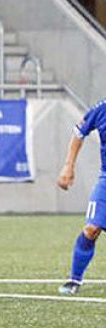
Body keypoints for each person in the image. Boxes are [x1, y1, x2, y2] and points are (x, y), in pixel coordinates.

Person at [57, 96, 106, 295]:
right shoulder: (102, 109)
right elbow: (79, 133)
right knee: (91, 229)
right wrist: (69, 166)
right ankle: (74, 280)